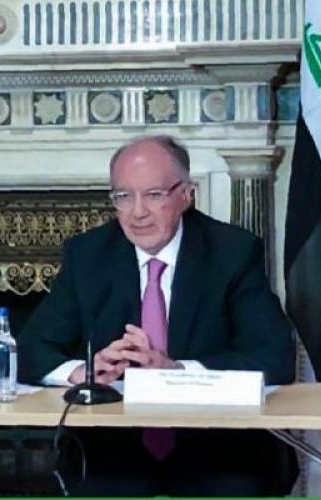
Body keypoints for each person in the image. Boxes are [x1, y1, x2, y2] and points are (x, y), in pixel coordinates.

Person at [18, 135, 297, 496]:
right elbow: (30, 349)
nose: (138, 212)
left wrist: (176, 372)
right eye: (124, 196)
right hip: (113, 445)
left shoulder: (232, 252)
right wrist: (85, 372)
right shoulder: (88, 255)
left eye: (153, 195)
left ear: (186, 194)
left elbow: (274, 357)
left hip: (217, 443)